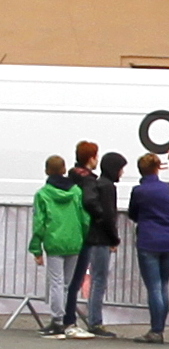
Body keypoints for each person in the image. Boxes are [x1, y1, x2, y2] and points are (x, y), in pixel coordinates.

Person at [126, 153, 169, 344]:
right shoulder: (166, 188)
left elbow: (133, 213)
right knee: (163, 285)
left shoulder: (138, 191)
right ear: (157, 169)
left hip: (148, 240)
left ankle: (156, 330)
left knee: (154, 286)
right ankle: (159, 328)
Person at [63, 145, 127, 338]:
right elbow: (106, 214)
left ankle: (69, 317)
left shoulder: (78, 178)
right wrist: (113, 236)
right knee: (98, 279)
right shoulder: (102, 185)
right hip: (99, 237)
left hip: (83, 234)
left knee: (74, 279)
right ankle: (95, 321)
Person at [30, 155, 90, 338]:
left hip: (54, 242)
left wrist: (36, 248)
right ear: (64, 170)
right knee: (66, 284)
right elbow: (84, 218)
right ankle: (65, 321)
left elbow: (39, 223)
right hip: (74, 241)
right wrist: (83, 237)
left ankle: (56, 321)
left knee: (56, 282)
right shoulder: (76, 192)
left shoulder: (42, 194)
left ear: (47, 171)